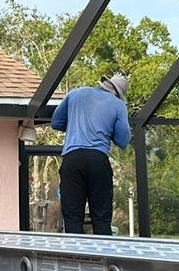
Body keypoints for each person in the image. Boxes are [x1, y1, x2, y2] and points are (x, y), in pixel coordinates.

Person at [51, 74, 131, 235]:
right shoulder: (118, 105)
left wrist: (75, 124)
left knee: (72, 216)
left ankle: (74, 257)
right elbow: (123, 140)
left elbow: (56, 122)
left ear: (104, 84)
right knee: (101, 217)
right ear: (118, 93)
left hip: (72, 159)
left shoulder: (75, 93)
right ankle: (103, 257)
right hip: (98, 160)